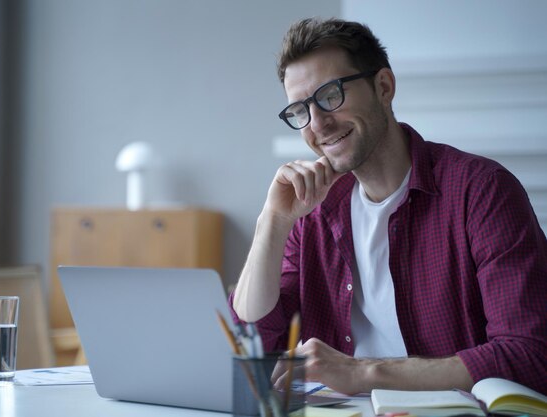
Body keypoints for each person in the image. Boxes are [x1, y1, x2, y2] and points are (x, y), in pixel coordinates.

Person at [230, 17, 547, 395]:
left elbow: (529, 355)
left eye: (331, 95)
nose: (317, 124)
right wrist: (274, 219)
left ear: (383, 87)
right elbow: (255, 345)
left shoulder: (482, 192)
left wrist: (364, 373)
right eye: (300, 111)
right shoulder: (312, 212)